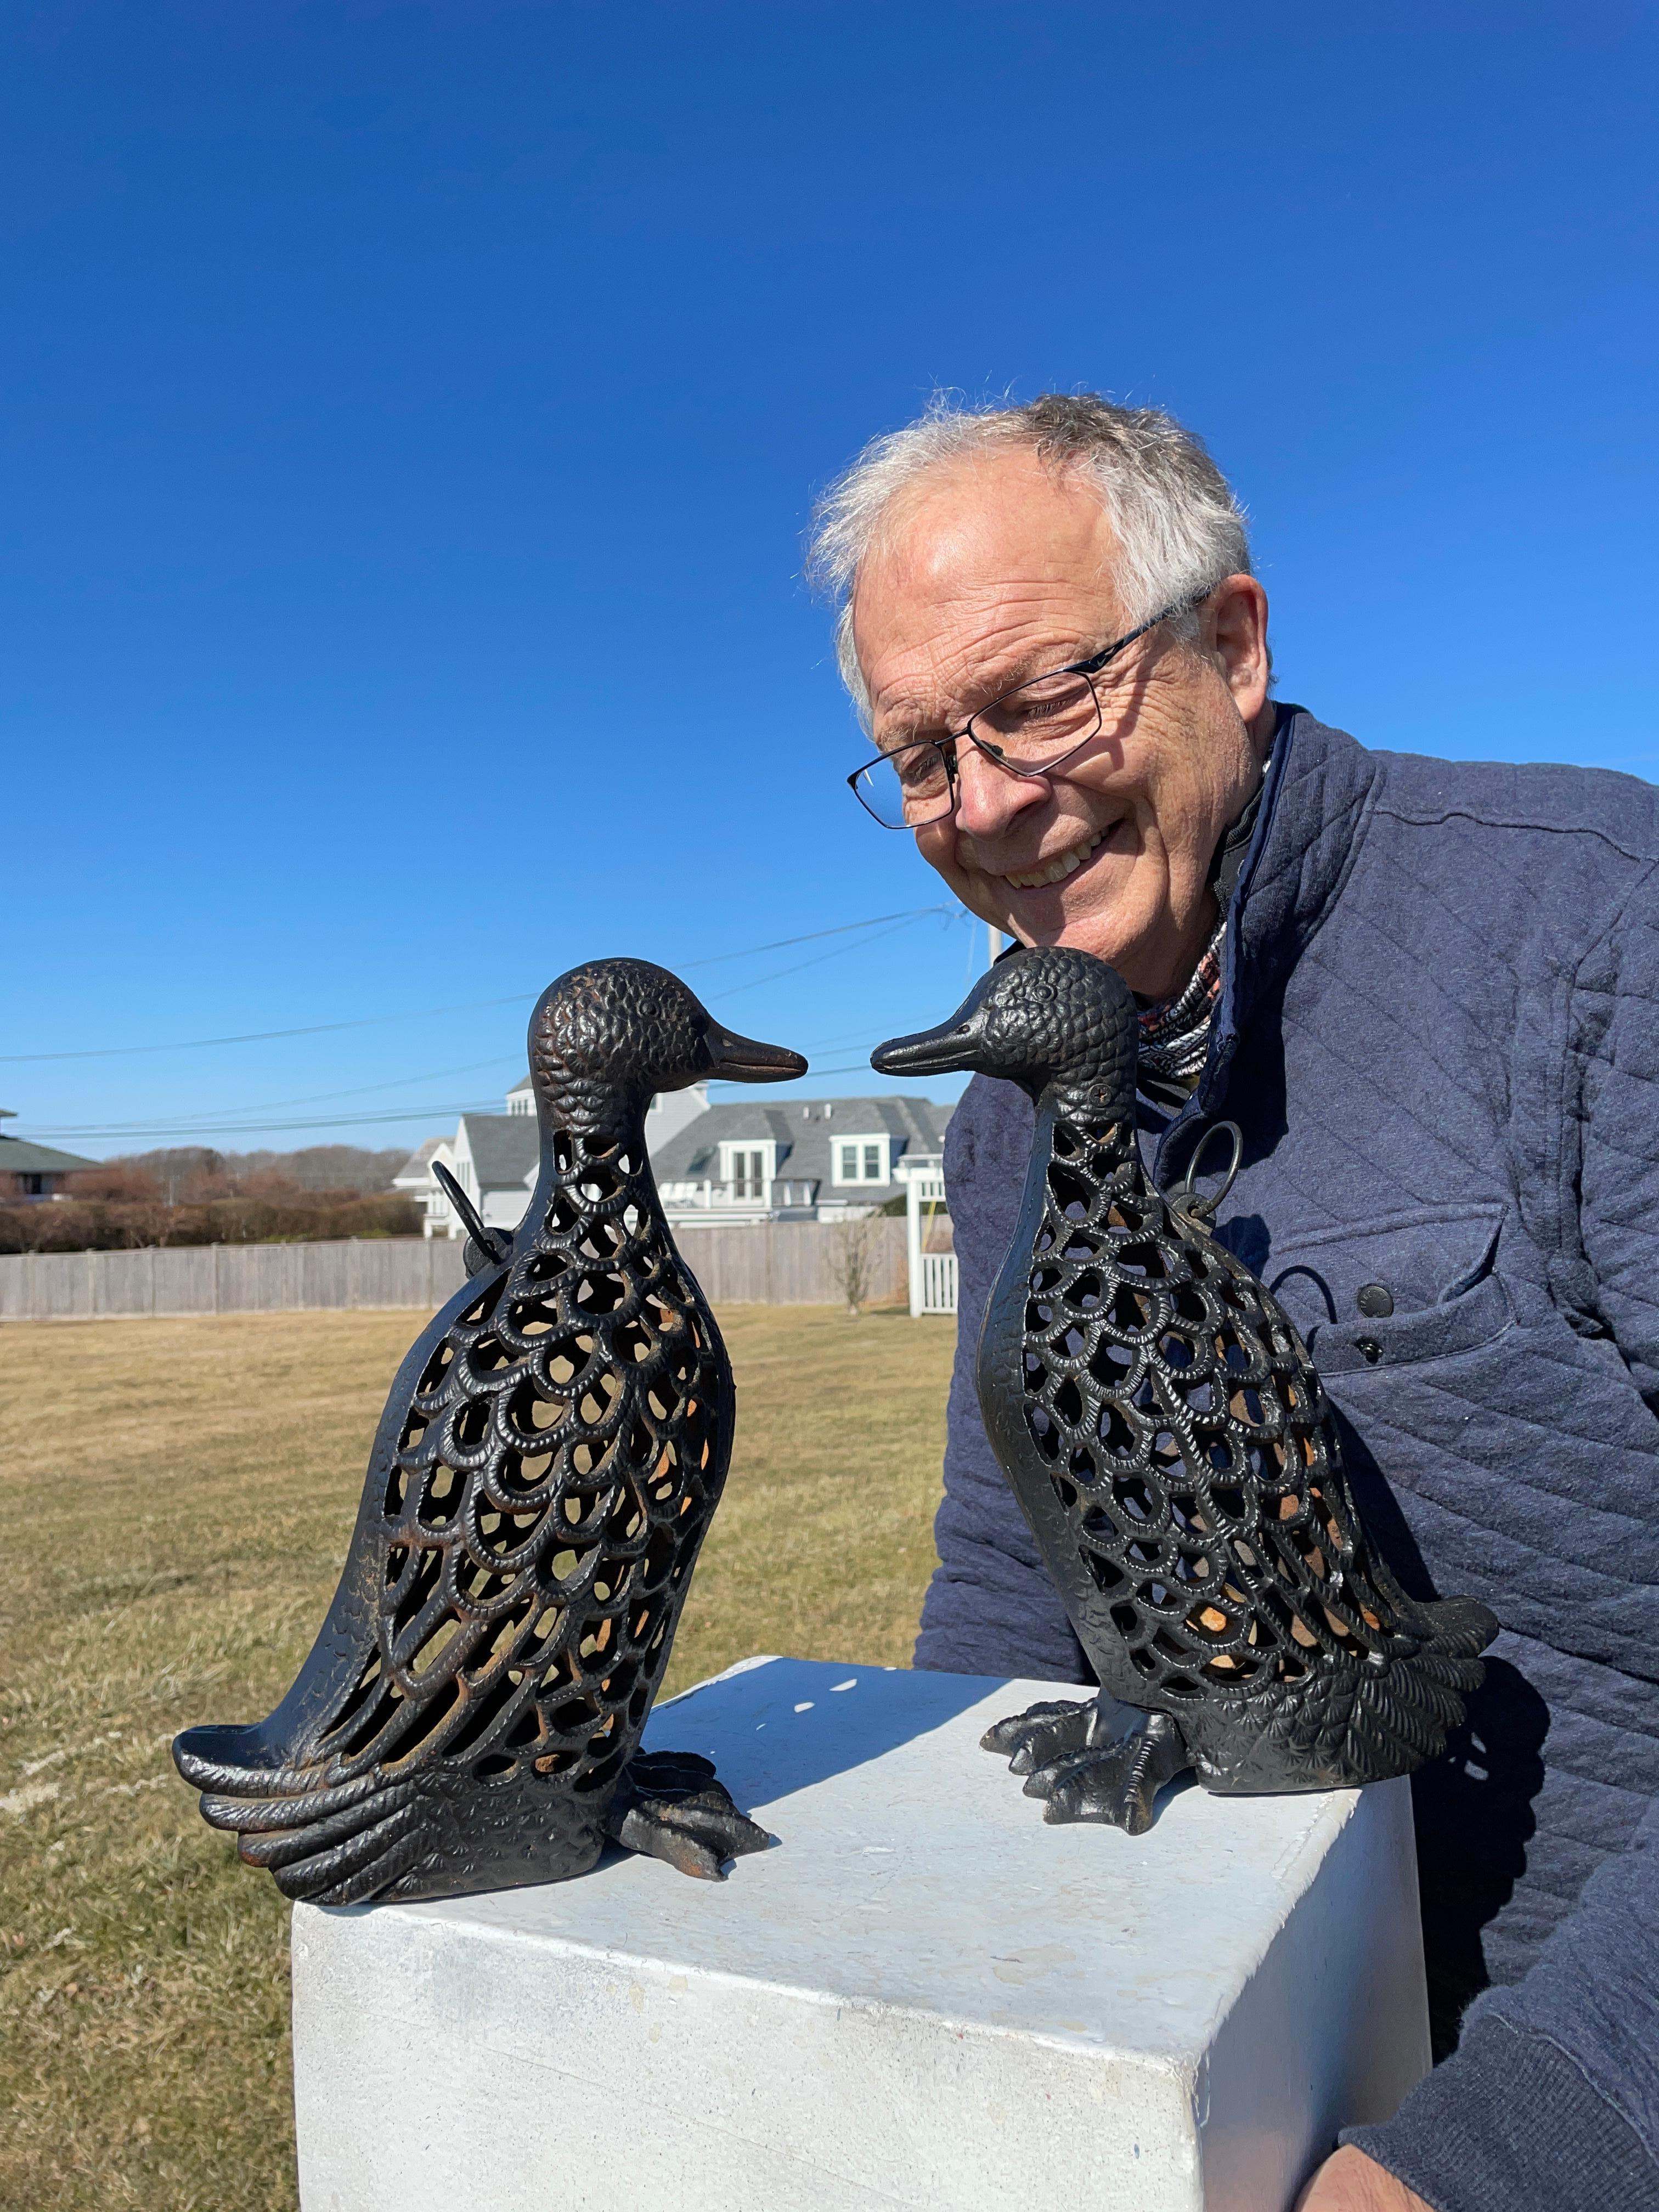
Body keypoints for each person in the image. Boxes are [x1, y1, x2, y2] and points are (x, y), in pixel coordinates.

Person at [807, 393, 1659, 2212]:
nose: (988, 800)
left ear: (1235, 645)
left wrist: (1522, 2144)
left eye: (1037, 695)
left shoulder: (1597, 932)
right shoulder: (1006, 1123)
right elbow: (1008, 1584)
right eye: (925, 754)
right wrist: (927, 1984)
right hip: (1233, 2044)